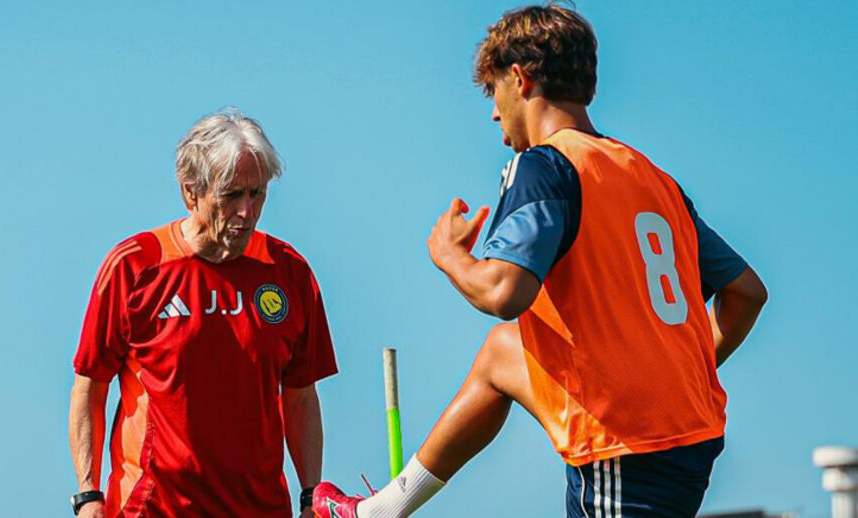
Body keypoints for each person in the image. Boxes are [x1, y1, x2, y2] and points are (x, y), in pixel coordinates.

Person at [314, 4, 767, 518]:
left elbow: (505, 292)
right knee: (503, 354)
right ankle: (380, 511)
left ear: (519, 78)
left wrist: (448, 257)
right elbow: (746, 293)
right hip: (690, 432)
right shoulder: (652, 177)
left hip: (629, 447)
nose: (493, 113)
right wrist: (674, 372)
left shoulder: (544, 165)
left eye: (493, 93)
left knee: (506, 333)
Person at [68, 108, 337, 518]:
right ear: (190, 192)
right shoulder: (136, 264)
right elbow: (90, 386)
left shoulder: (290, 273)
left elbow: (300, 397)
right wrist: (88, 495)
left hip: (260, 509)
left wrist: (310, 495)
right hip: (153, 508)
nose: (247, 211)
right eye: (231, 195)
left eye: (258, 193)